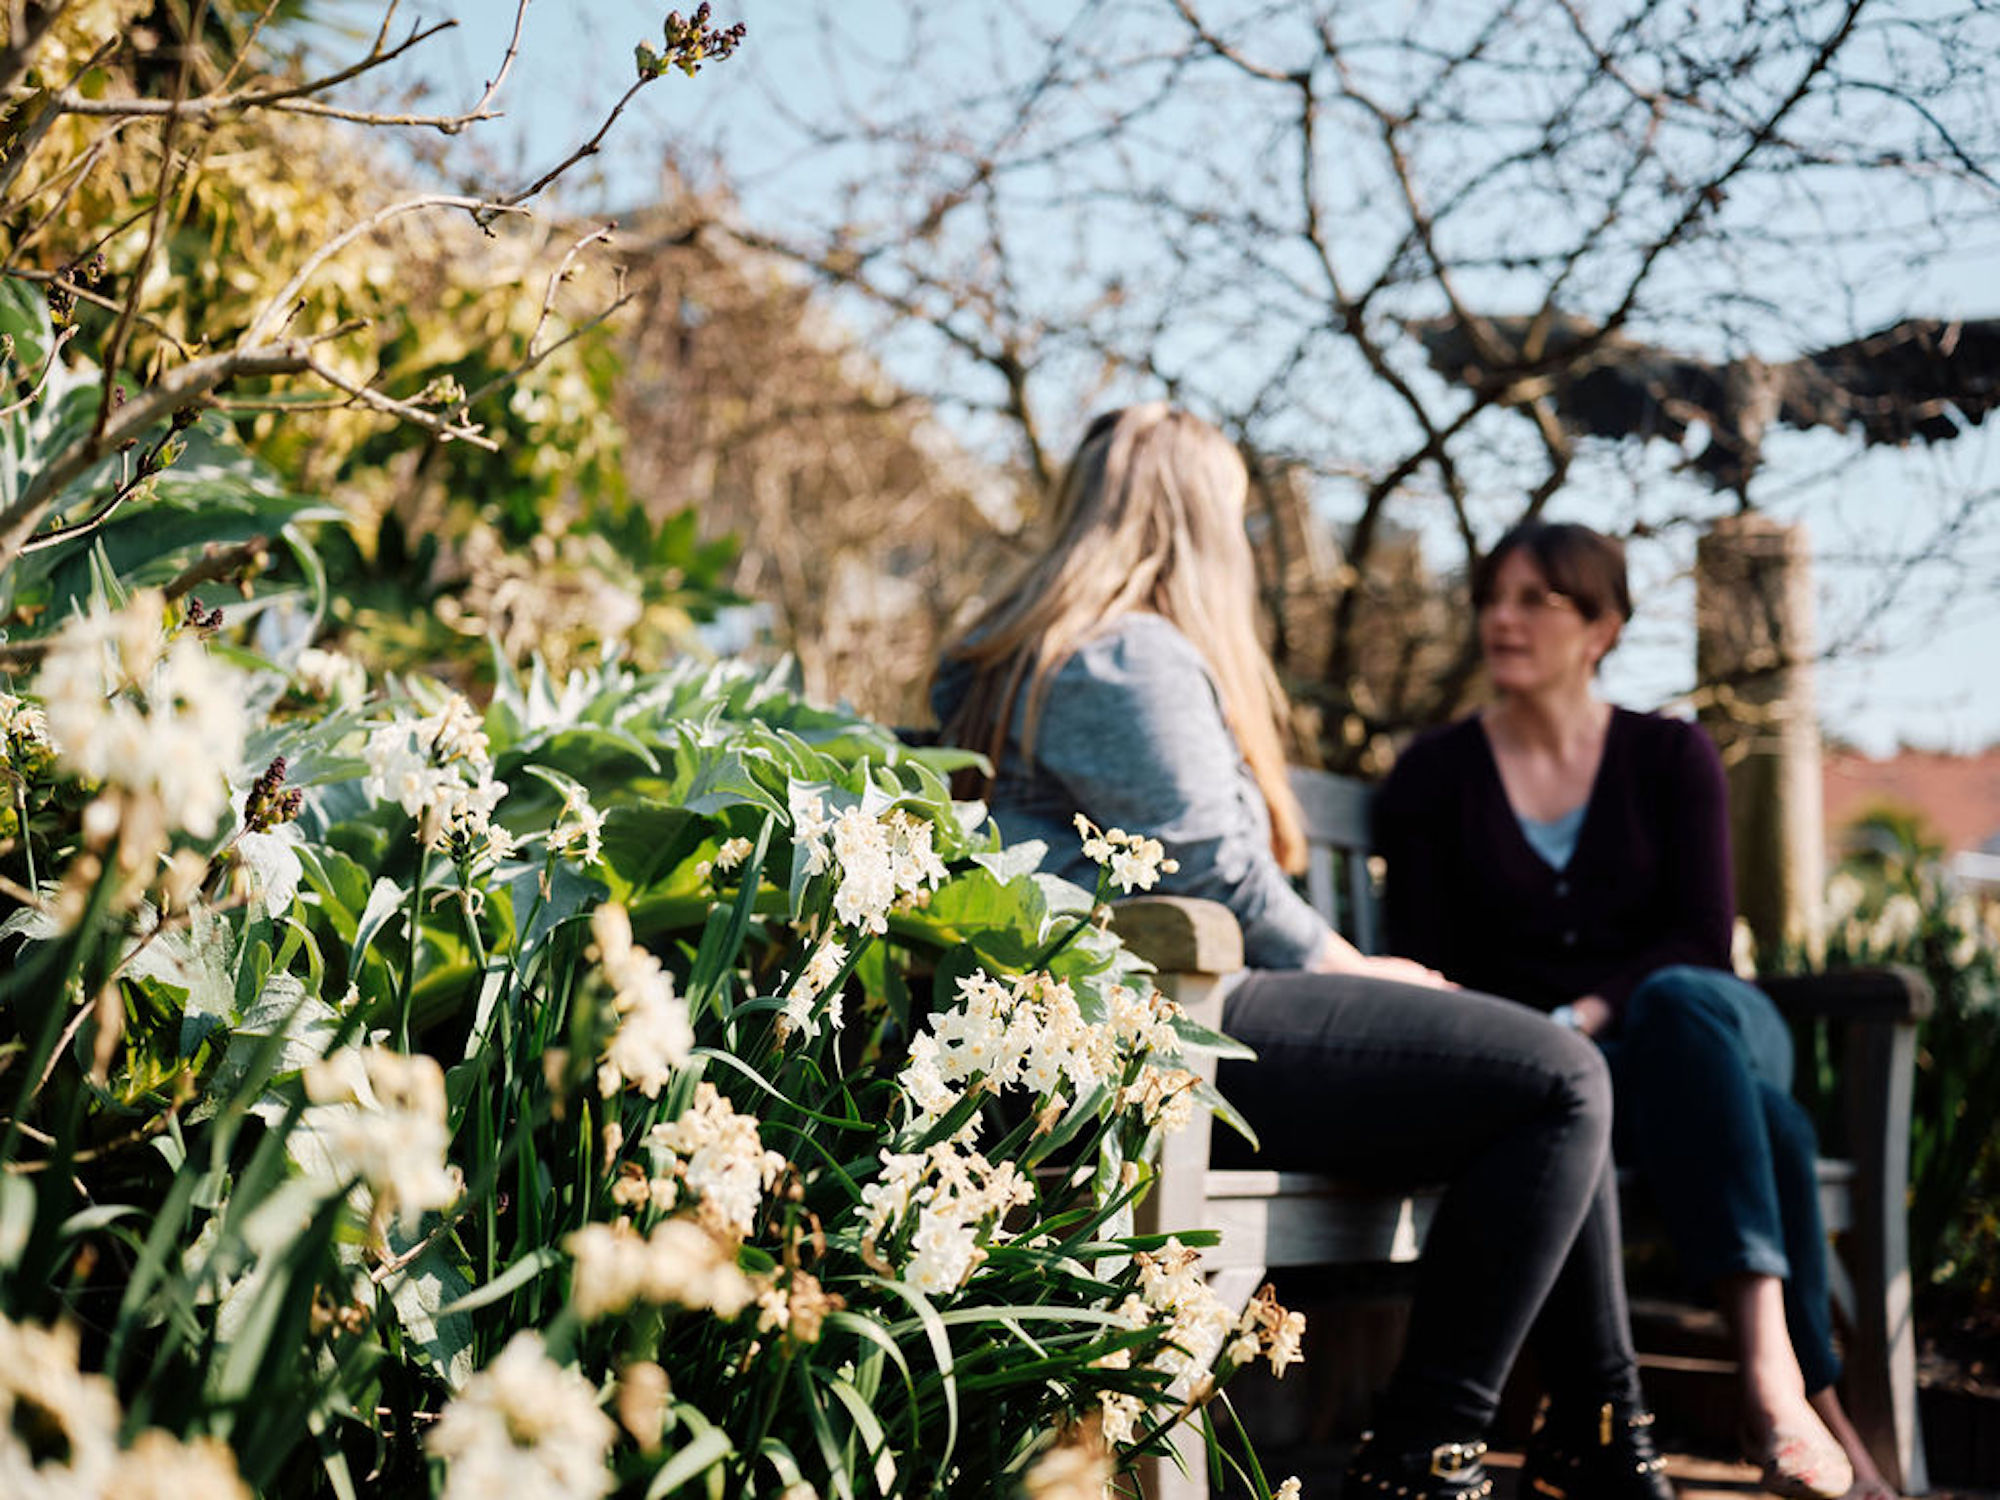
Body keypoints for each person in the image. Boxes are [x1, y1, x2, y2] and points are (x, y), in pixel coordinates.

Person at [933, 405, 1673, 1500]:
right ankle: (1434, 1452)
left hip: (1133, 1024)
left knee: (1545, 1077)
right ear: (1195, 522)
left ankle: (1598, 1439)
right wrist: (1350, 966)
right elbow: (1211, 879)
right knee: (1558, 1078)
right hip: (1165, 1028)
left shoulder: (1036, 652)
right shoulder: (1122, 657)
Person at [1374, 520, 1890, 1500]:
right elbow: (1432, 968)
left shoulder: (1668, 754)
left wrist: (1585, 1011)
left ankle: (1775, 1387)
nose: (1501, 618)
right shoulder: (1433, 777)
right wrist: (1550, 1043)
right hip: (1572, 1080)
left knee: (1678, 1001)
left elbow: (1701, 935)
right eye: (1492, 596)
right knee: (1770, 1129)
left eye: (1536, 600)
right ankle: (1798, 1410)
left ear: (1600, 625)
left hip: (1708, 1030)